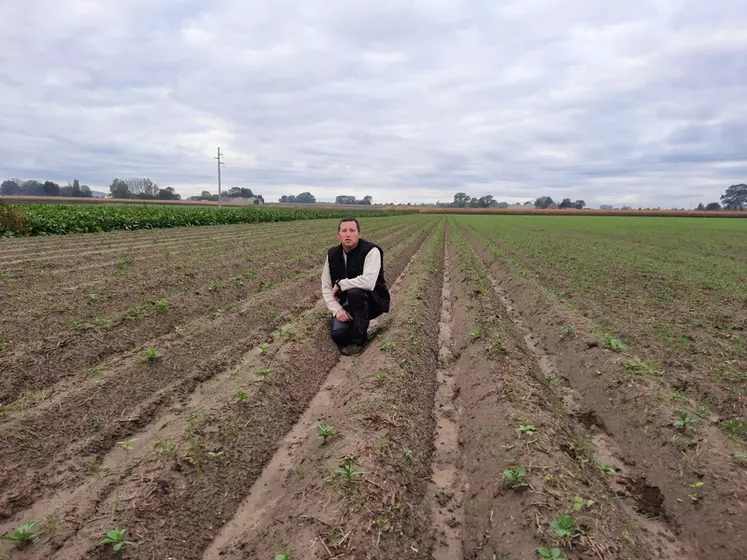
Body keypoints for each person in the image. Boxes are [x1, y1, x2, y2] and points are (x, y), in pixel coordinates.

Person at [321, 217, 390, 355]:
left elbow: (368, 282)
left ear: (358, 234)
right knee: (338, 336)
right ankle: (353, 324)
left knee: (355, 292)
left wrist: (341, 284)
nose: (348, 234)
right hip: (346, 303)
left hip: (372, 301)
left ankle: (359, 339)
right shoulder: (332, 254)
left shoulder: (371, 251)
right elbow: (326, 286)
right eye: (344, 231)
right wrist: (337, 310)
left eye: (352, 230)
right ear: (338, 235)